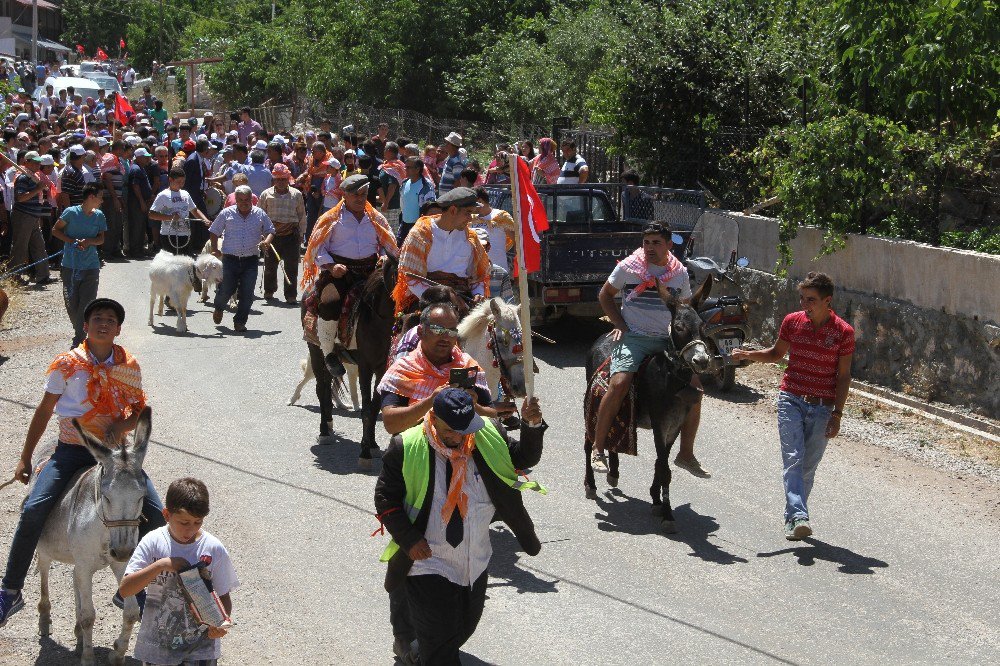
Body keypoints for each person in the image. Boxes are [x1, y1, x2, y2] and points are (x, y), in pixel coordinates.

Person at [0, 298, 166, 628]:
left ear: (118, 329)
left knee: (156, 515)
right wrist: (25, 457)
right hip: (72, 450)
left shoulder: (129, 365)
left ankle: (133, 587)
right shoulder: (66, 364)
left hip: (116, 458)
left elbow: (137, 409)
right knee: (33, 509)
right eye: (96, 318)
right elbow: (45, 410)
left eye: (110, 319)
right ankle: (10, 591)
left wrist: (124, 425)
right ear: (85, 326)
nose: (103, 322)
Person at [374, 387, 546, 665]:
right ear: (433, 418)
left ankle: (424, 651)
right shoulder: (405, 447)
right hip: (428, 562)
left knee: (461, 629)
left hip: (474, 560)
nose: (459, 437)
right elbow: (385, 499)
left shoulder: (486, 435)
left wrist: (531, 424)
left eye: (465, 429)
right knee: (442, 647)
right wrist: (408, 539)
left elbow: (524, 457)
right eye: (450, 431)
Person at [731, 272, 855, 540]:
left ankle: (793, 519)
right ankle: (799, 515)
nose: (804, 304)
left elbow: (843, 376)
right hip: (791, 399)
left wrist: (837, 414)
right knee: (793, 459)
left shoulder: (843, 332)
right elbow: (776, 354)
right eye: (802, 298)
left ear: (827, 300)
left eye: (811, 299)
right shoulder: (792, 322)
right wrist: (748, 355)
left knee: (808, 467)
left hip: (823, 406)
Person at [590, 222, 710, 477]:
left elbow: (684, 309)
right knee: (619, 383)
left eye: (656, 243)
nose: (650, 248)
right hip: (634, 338)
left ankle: (686, 454)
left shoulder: (679, 274)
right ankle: (598, 449)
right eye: (647, 242)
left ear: (669, 245)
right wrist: (620, 324)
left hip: (667, 341)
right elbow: (605, 295)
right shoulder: (627, 268)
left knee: (696, 390)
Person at [120, 477, 239, 665]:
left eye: (197, 522)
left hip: (200, 651)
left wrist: (220, 624)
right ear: (166, 515)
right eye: (184, 522)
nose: (190, 530)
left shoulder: (213, 548)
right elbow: (125, 590)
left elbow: (223, 596)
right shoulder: (153, 542)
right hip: (158, 649)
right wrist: (161, 565)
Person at [300, 174, 398, 375]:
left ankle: (391, 350)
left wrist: (383, 257)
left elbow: (388, 245)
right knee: (329, 303)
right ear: (344, 194)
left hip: (370, 272)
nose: (360, 198)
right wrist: (330, 266)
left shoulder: (376, 218)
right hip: (339, 272)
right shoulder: (330, 218)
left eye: (364, 194)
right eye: (355, 195)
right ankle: (328, 353)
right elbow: (318, 248)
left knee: (394, 304)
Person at [393, 187, 492, 314]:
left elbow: (478, 277)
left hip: (463, 301)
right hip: (427, 300)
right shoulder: (420, 234)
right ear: (453, 210)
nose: (470, 219)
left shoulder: (471, 238)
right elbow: (412, 279)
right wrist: (442, 301)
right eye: (467, 213)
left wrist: (478, 294)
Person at [209, 186, 275, 333]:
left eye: (247, 200)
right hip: (230, 259)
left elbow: (270, 230)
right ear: (236, 200)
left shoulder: (259, 214)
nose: (244, 203)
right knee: (226, 289)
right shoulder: (226, 213)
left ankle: (239, 322)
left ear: (252, 199)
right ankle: (219, 307)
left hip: (250, 260)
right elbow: (214, 231)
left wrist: (267, 241)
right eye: (241, 200)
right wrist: (214, 248)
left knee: (247, 293)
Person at [50, 184, 107, 347]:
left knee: (87, 303)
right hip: (70, 265)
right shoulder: (70, 213)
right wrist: (72, 241)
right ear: (91, 197)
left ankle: (81, 336)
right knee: (71, 303)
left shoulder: (100, 216)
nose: (102, 201)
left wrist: (89, 241)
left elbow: (101, 239)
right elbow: (55, 230)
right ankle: (80, 331)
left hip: (91, 266)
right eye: (100, 197)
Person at [258, 164, 306, 303]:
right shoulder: (266, 194)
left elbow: (302, 215)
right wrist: (261, 234)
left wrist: (302, 234)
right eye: (278, 179)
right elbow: (260, 214)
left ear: (288, 179)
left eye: (284, 179)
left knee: (291, 266)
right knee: (270, 265)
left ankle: (291, 295)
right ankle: (269, 290)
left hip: (291, 234)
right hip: (271, 235)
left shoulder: (296, 194)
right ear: (274, 179)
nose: (281, 182)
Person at [9, 151, 52, 285]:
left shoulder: (33, 176)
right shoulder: (23, 177)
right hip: (23, 215)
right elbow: (20, 197)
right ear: (26, 162)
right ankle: (15, 277)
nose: (38, 164)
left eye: (39, 162)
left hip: (33, 215)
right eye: (34, 162)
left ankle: (43, 275)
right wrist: (37, 189)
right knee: (20, 247)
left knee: (39, 246)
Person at [148, 167, 211, 255]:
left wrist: (205, 220)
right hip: (168, 235)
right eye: (178, 182)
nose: (181, 184)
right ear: (170, 179)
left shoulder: (185, 194)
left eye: (183, 182)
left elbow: (194, 210)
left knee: (184, 261)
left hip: (185, 234)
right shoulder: (163, 195)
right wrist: (170, 217)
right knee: (171, 263)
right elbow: (152, 214)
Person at [470, 186, 515, 272]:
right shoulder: (471, 219)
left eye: (472, 203)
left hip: (498, 269)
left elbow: (516, 240)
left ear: (480, 201)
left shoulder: (501, 216)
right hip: (476, 270)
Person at [398, 156, 435, 245]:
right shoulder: (404, 183)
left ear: (417, 169)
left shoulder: (426, 186)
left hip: (418, 225)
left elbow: (430, 208)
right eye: (405, 167)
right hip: (404, 224)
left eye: (408, 167)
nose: (405, 169)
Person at [126, 148, 154, 258]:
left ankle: (139, 249)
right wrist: (142, 201)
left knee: (141, 226)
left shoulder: (140, 168)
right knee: (137, 226)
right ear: (138, 157)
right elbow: (135, 186)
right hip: (136, 202)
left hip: (142, 201)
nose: (148, 159)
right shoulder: (136, 169)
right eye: (145, 157)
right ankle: (135, 251)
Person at [474, 228, 513, 303]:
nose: (476, 250)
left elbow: (509, 305)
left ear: (488, 248)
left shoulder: (501, 274)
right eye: (473, 246)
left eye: (481, 246)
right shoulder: (461, 273)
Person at [378, 141, 405, 235]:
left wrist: (386, 203)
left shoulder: (393, 167)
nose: (383, 151)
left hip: (391, 206)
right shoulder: (389, 164)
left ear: (389, 151)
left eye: (385, 149)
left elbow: (392, 186)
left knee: (390, 233)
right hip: (388, 205)